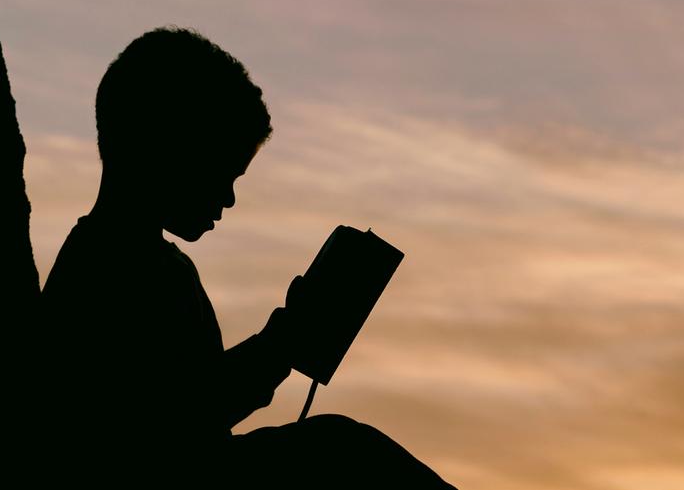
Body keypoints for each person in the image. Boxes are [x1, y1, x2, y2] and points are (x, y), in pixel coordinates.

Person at [40, 26, 455, 487]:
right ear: (168, 149)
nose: (229, 198)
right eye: (222, 171)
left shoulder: (146, 264)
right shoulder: (108, 269)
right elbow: (171, 426)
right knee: (339, 448)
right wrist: (281, 344)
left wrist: (281, 343)